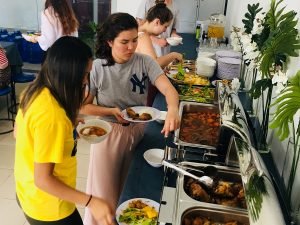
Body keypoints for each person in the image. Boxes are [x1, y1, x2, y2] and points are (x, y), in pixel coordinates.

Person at [80, 13, 180, 225]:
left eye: (135, 40)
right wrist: (110, 111)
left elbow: (168, 89)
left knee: (130, 187)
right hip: (109, 135)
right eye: (124, 42)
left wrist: (172, 109)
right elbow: (85, 106)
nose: (131, 47)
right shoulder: (98, 67)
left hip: (138, 131)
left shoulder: (144, 62)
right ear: (110, 42)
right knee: (104, 192)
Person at [14, 36, 113, 225]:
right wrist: (92, 202)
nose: (85, 81)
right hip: (49, 206)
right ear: (68, 74)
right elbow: (43, 180)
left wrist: (67, 127)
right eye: (84, 75)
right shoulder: (52, 116)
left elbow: (19, 133)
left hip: (26, 192)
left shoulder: (35, 90)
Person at [136, 2, 182, 105]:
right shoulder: (143, 36)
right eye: (165, 26)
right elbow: (154, 63)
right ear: (157, 22)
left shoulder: (143, 33)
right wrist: (173, 55)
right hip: (141, 85)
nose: (165, 30)